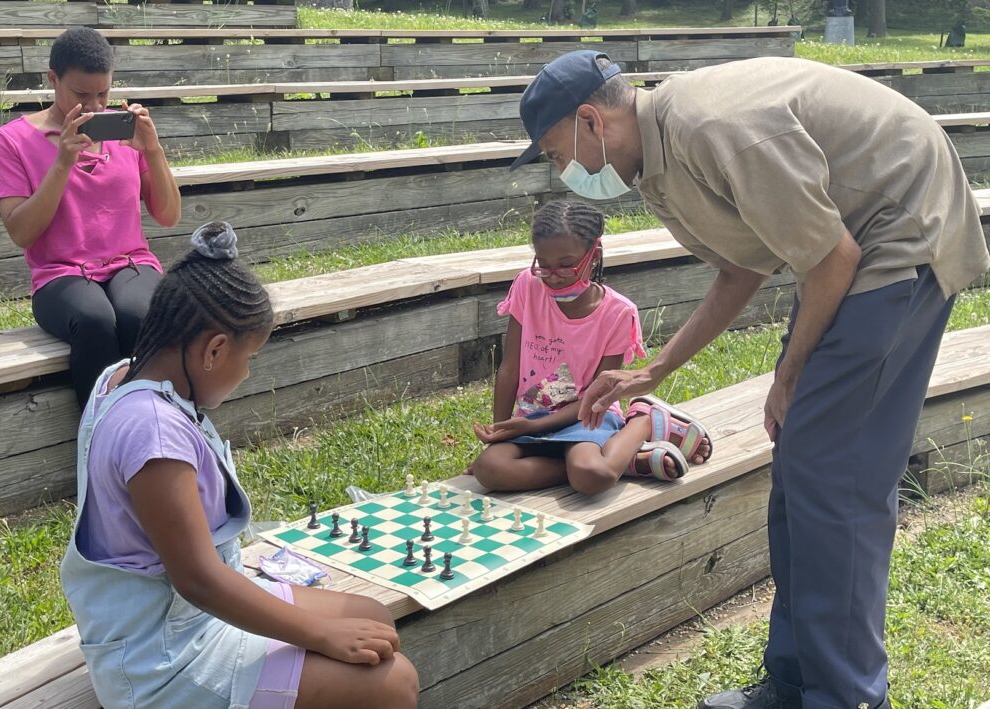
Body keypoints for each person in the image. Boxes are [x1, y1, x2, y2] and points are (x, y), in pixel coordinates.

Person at [510, 50, 990, 709]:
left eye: (554, 151)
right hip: (850, 246)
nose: (558, 168)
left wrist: (787, 375)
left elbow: (834, 258)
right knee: (801, 462)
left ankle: (846, 695)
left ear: (590, 121)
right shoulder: (656, 163)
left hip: (900, 230)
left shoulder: (711, 127)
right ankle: (794, 681)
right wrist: (653, 370)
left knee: (834, 474)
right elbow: (742, 269)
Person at [59, 222, 419, 709]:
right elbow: (198, 580)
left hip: (186, 615)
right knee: (394, 682)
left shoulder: (121, 376)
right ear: (214, 350)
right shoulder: (153, 433)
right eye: (248, 358)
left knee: (373, 618)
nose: (246, 373)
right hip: (163, 659)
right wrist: (322, 635)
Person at [0, 27, 181, 407]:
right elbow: (22, 233)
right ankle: (100, 432)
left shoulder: (126, 136)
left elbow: (169, 215)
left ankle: (156, 424)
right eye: (81, 95)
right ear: (53, 79)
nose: (95, 106)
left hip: (130, 264)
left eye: (103, 94)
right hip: (58, 276)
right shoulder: (11, 141)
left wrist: (153, 151)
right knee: (95, 320)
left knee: (140, 313)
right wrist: (62, 162)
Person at [470, 200, 712, 494]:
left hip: (588, 414)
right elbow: (509, 368)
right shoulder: (527, 285)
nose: (553, 276)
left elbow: (597, 397)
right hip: (531, 416)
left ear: (594, 256)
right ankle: (627, 461)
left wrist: (532, 428)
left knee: (591, 476)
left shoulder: (618, 313)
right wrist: (500, 431)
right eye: (543, 265)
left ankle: (643, 421)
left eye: (566, 265)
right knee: (489, 469)